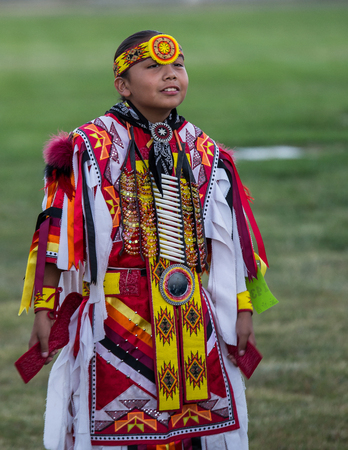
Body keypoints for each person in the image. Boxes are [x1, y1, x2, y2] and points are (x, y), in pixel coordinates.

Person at [19, 30, 269, 450]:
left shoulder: (204, 149)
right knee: (123, 433)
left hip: (191, 316)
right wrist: (46, 304)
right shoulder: (90, 146)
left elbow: (231, 242)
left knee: (192, 431)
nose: (171, 76)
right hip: (117, 316)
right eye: (153, 67)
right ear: (123, 85)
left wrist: (242, 307)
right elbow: (57, 233)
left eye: (179, 65)